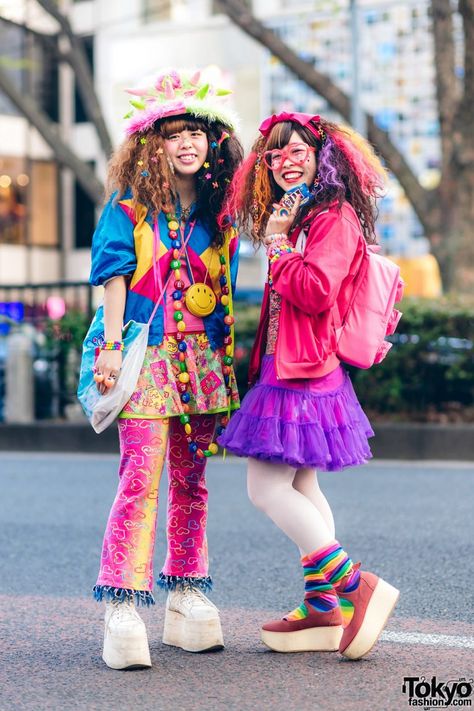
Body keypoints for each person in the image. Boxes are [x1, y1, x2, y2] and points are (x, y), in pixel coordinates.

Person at [218, 111, 399, 659]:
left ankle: (354, 586)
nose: (283, 163)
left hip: (302, 371)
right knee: (300, 486)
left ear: (321, 157)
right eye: (273, 155)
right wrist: (281, 236)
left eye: (295, 151)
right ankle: (324, 607)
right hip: (295, 366)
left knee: (265, 488)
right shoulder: (303, 217)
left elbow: (316, 291)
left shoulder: (333, 217)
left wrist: (276, 245)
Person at [88, 68, 243, 669]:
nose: (186, 143)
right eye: (172, 133)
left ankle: (186, 590)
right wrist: (106, 346)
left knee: (193, 478)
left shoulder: (220, 211)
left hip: (202, 362)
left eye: (197, 133)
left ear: (212, 144)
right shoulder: (127, 211)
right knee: (140, 477)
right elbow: (114, 278)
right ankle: (122, 603)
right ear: (151, 145)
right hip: (143, 357)